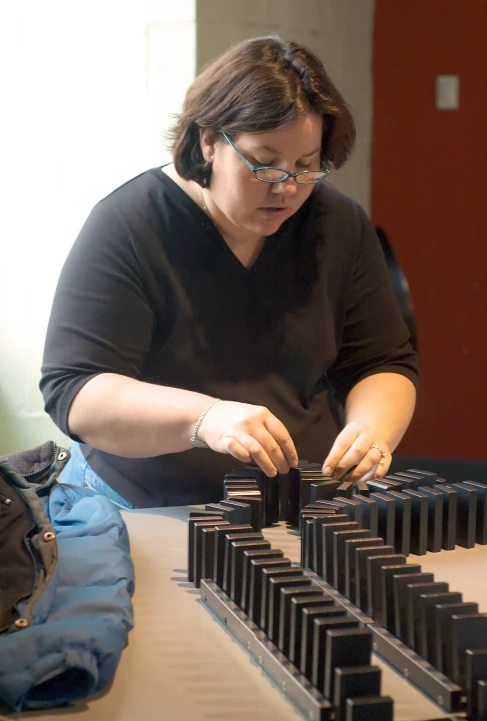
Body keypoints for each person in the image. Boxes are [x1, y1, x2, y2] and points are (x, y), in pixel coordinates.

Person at [40, 35, 418, 510]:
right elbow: (76, 391)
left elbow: (383, 361)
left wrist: (371, 430)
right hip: (144, 503)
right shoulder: (130, 225)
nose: (286, 188)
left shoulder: (337, 223)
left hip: (297, 501)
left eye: (306, 166)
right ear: (209, 143)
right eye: (264, 165)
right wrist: (205, 419)